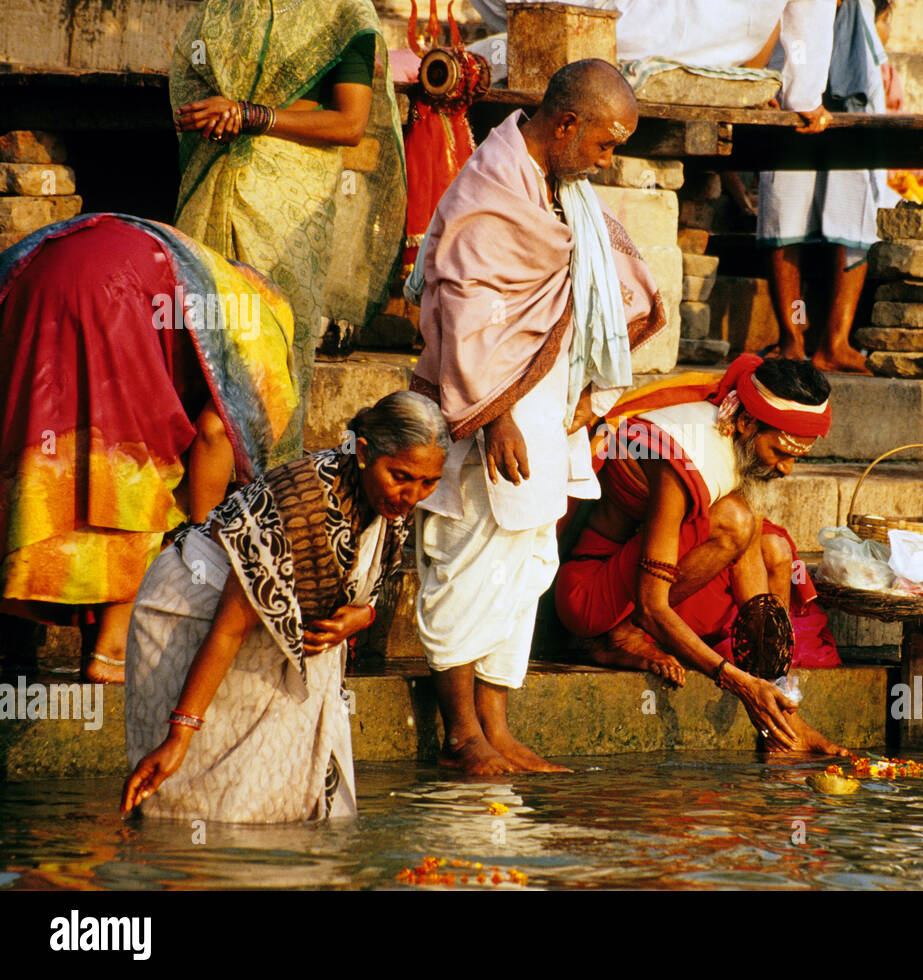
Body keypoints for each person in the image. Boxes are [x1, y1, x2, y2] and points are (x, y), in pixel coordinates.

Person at [409, 60, 666, 776]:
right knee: (468, 558)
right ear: (567, 125)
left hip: (545, 405)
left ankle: (496, 721)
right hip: (484, 406)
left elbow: (602, 280)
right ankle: (460, 734)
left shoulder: (562, 188)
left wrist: (590, 391)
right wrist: (494, 416)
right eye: (606, 146)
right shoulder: (490, 191)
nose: (607, 162)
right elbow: (463, 305)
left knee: (525, 563)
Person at [121, 391, 447, 822]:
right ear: (365, 453)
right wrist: (179, 734)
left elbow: (367, 583)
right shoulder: (303, 503)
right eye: (402, 476)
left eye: (429, 483)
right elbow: (229, 629)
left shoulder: (388, 499)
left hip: (270, 635)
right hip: (195, 614)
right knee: (197, 805)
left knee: (285, 802)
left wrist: (362, 617)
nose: (412, 495)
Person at [0, 213, 298, 684]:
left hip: (32, 278)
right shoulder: (259, 321)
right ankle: (112, 651)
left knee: (55, 457)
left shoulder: (200, 271)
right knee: (137, 469)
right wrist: (201, 542)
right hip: (114, 295)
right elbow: (217, 433)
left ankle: (69, 645)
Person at [555, 355, 847, 754]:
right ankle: (618, 637)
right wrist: (738, 682)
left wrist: (775, 690)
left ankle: (785, 732)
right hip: (591, 597)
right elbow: (651, 604)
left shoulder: (730, 432)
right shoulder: (683, 455)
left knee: (764, 542)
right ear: (746, 424)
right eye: (780, 452)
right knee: (736, 521)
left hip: (649, 580)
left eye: (797, 457)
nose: (787, 469)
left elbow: (755, 599)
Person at [170, 0, 405, 462]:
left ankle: (265, 499)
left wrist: (251, 115)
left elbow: (351, 123)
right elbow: (189, 87)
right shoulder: (228, 11)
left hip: (288, 208)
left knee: (271, 362)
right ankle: (194, 518)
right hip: (215, 190)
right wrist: (213, 116)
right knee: (198, 352)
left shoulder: (344, 15)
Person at [759, 0, 903, 373]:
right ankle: (792, 339)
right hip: (787, 80)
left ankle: (836, 343)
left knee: (854, 217)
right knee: (783, 216)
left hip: (854, 85)